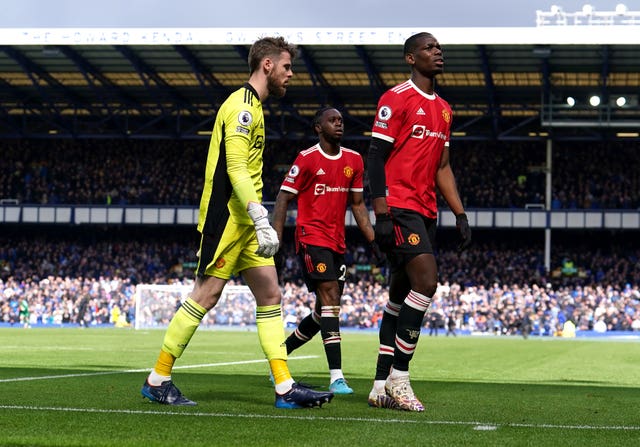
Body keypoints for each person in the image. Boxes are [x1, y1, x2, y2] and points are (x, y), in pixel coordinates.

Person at [141, 36, 334, 409]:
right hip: (227, 219)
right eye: (286, 67)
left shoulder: (257, 109)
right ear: (267, 65)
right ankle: (158, 378)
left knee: (271, 295)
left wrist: (255, 217)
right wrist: (259, 213)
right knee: (206, 294)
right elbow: (235, 168)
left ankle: (284, 387)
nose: (290, 74)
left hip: (245, 220)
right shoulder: (241, 106)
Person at [366, 32, 472, 412]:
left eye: (439, 47)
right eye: (429, 47)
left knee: (398, 296)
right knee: (426, 282)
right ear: (411, 58)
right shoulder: (395, 99)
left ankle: (378, 385)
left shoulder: (444, 108)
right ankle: (400, 377)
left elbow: (443, 166)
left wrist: (458, 212)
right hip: (399, 206)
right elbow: (375, 156)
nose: (437, 51)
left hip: (427, 210)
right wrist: (380, 211)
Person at [272, 107, 377, 395]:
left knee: (322, 313)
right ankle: (337, 377)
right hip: (311, 238)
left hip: (337, 243)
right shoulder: (307, 159)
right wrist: (277, 241)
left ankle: (278, 357)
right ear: (318, 127)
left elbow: (357, 205)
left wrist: (373, 241)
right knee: (331, 300)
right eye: (333, 120)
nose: (339, 124)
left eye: (341, 120)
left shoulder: (354, 160)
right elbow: (282, 197)